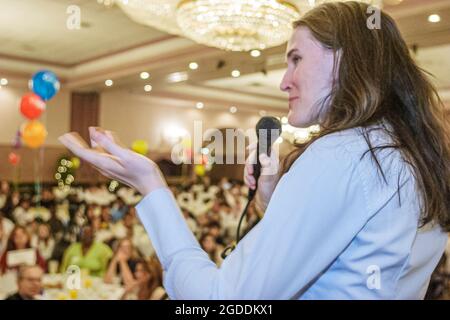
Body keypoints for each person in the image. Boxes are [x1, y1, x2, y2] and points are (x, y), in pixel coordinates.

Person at [59, 2, 450, 299]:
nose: (284, 82)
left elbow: (221, 300)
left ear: (348, 60)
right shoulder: (406, 156)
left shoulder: (344, 154)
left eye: (296, 58)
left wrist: (151, 186)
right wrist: (272, 198)